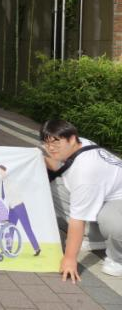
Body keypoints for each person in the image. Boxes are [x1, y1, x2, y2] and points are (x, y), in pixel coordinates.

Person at [41, 119, 122, 282]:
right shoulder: (79, 143)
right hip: (103, 192)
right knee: (49, 188)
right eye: (46, 143)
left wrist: (69, 259)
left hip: (118, 198)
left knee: (112, 221)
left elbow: (77, 220)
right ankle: (95, 238)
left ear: (71, 139)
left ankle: (118, 258)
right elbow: (57, 166)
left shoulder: (86, 172)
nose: (50, 148)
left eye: (56, 143)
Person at [0, 164, 41, 257]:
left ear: (4, 170)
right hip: (12, 207)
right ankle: (8, 249)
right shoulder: (3, 182)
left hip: (19, 206)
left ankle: (37, 248)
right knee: (10, 228)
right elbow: (3, 196)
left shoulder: (11, 179)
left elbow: (16, 192)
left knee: (27, 227)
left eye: (0, 170)